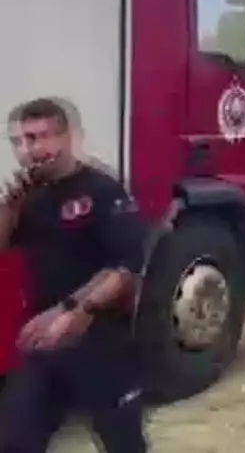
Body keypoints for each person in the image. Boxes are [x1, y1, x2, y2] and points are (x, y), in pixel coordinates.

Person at [0, 98, 153, 453]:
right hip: (43, 343)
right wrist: (8, 208)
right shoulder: (29, 199)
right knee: (15, 441)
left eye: (39, 138)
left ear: (67, 137)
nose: (29, 150)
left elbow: (126, 268)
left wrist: (74, 309)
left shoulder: (102, 191)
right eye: (20, 141)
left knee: (123, 443)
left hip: (102, 341)